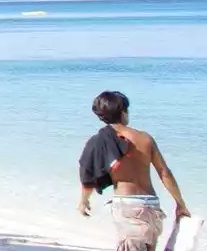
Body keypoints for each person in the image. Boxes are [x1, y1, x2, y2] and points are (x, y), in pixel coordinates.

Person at [76, 90, 191, 251]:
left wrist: (84, 201)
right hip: (151, 205)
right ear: (123, 112)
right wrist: (180, 204)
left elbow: (87, 175)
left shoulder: (99, 141)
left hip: (127, 206)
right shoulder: (144, 138)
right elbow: (165, 173)